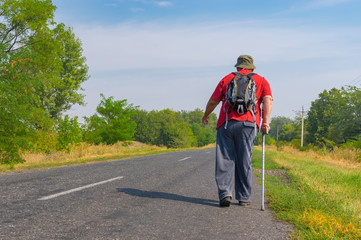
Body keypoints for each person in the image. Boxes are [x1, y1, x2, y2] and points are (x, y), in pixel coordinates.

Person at [202, 55, 273, 207]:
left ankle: (225, 194)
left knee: (225, 159)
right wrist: (265, 122)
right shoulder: (261, 80)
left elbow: (214, 100)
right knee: (244, 159)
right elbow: (267, 100)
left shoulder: (227, 79)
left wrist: (206, 115)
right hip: (249, 124)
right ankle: (244, 198)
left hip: (226, 123)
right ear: (252, 68)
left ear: (237, 67)